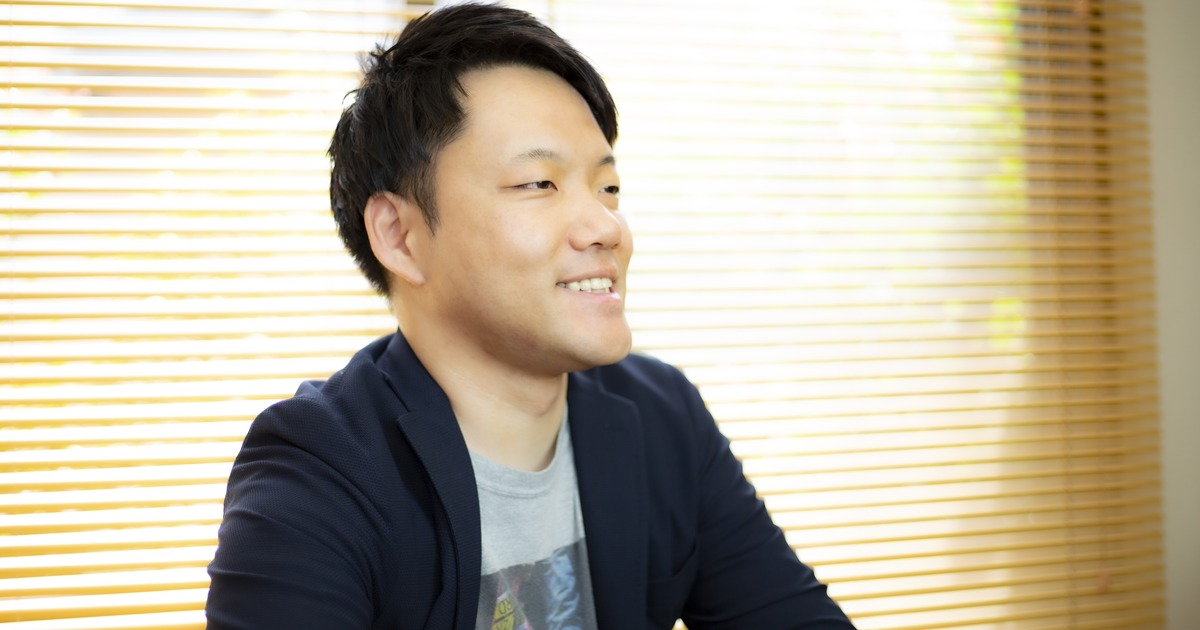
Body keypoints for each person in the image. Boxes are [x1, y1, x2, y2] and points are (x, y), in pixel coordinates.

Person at [205, 3, 855, 629]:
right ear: (400, 236)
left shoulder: (662, 416)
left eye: (608, 188)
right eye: (539, 183)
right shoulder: (316, 471)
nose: (607, 227)